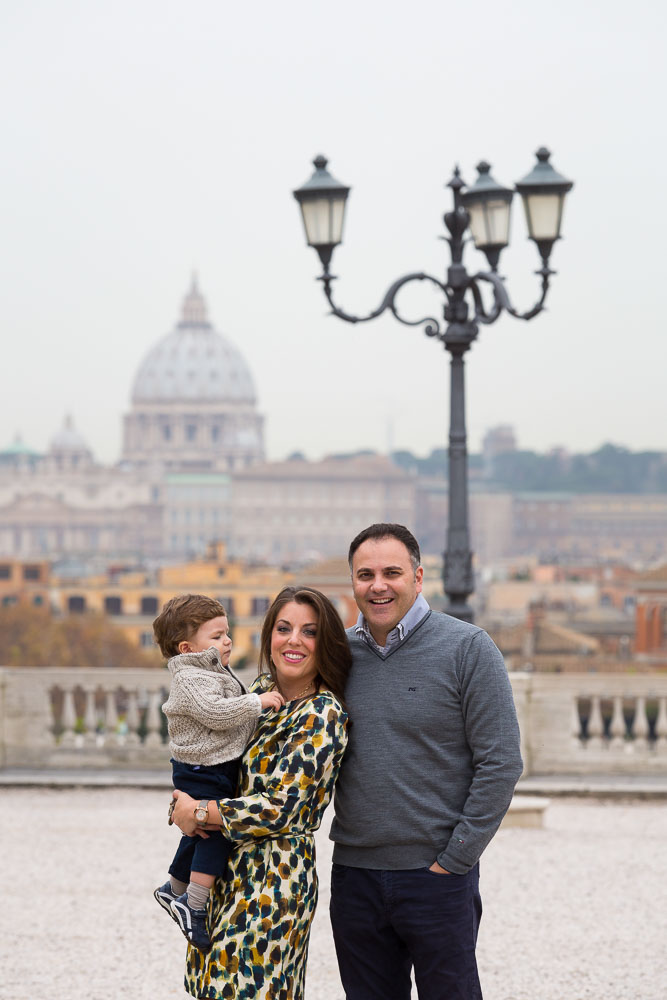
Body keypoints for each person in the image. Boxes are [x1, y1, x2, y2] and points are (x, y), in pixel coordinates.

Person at [329, 523, 523, 1000]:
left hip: (437, 878)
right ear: (351, 582)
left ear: (418, 578)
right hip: (355, 876)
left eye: (391, 572)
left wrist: (455, 859)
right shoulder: (336, 657)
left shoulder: (468, 648)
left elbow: (501, 762)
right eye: (365, 574)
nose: (378, 585)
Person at [170, 585, 351, 1000]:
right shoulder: (257, 693)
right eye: (284, 628)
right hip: (221, 871)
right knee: (211, 987)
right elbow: (210, 760)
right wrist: (183, 801)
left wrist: (199, 813)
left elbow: (279, 809)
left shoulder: (322, 713)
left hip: (274, 879)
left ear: (325, 644)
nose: (293, 640)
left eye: (309, 632)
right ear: (269, 634)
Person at [152, 594, 284, 950]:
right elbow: (217, 714)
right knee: (216, 829)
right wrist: (259, 702)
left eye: (227, 633)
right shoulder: (192, 678)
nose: (228, 641)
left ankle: (174, 889)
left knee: (197, 835)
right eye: (217, 636)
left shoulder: (206, 671)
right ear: (187, 646)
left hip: (204, 765)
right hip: (202, 768)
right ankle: (193, 905)